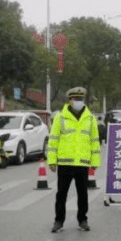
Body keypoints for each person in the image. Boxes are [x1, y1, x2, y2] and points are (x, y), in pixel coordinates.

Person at [47, 86, 101, 232]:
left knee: (82, 194)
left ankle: (82, 220)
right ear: (69, 100)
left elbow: (94, 141)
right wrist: (52, 161)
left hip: (82, 163)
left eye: (80, 99)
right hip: (65, 162)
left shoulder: (90, 118)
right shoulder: (60, 117)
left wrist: (95, 161)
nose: (78, 101)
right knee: (61, 195)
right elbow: (53, 140)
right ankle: (58, 221)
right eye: (76, 99)